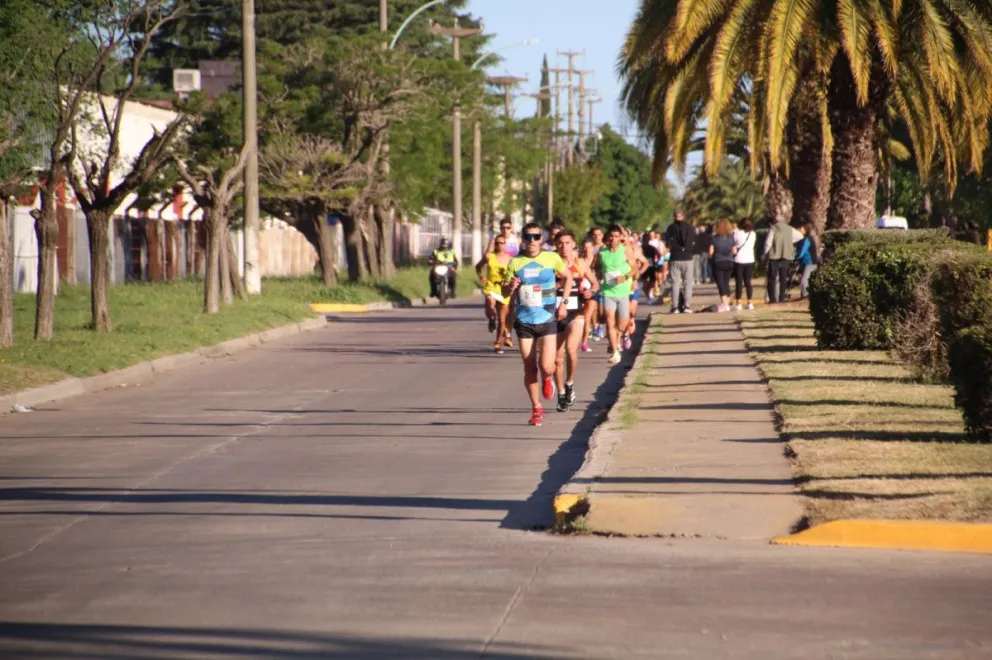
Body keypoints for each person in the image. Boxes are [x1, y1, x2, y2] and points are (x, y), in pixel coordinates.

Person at [504, 222, 573, 427]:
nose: (532, 241)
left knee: (546, 366)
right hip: (524, 320)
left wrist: (564, 303)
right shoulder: (515, 262)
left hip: (547, 318)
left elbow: (568, 277)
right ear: (523, 240)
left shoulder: (551, 258)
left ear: (541, 239)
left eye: (535, 237)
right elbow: (505, 291)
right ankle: (536, 408)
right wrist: (511, 286)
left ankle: (547, 378)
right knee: (529, 367)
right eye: (528, 237)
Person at [554, 231, 599, 412]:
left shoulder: (581, 264)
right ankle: (561, 393)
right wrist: (557, 285)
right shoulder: (552, 263)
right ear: (556, 245)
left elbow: (595, 284)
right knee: (557, 359)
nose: (564, 246)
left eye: (567, 242)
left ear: (573, 244)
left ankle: (570, 383)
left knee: (571, 349)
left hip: (576, 312)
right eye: (560, 243)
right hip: (556, 313)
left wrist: (590, 292)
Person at [596, 225, 639, 364]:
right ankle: (615, 352)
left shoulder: (626, 250)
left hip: (623, 292)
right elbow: (596, 266)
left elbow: (635, 268)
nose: (613, 239)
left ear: (620, 237)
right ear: (608, 237)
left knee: (621, 326)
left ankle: (613, 340)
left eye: (616, 236)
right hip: (608, 291)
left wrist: (625, 277)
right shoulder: (602, 252)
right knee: (609, 319)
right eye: (611, 236)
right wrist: (599, 275)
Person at [475, 235, 513, 352]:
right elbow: (478, 266)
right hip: (491, 287)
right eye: (497, 243)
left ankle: (498, 342)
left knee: (502, 320)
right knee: (490, 304)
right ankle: (491, 319)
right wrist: (481, 276)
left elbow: (515, 274)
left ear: (505, 244)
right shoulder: (489, 256)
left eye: (502, 243)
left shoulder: (511, 259)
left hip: (504, 290)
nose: (499, 245)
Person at [664, 209, 695, 313]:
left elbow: (667, 244)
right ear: (684, 216)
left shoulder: (670, 228)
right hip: (688, 258)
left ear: (674, 217)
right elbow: (693, 242)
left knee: (675, 283)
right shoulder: (690, 228)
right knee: (688, 284)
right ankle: (687, 307)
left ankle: (675, 307)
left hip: (675, 257)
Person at [763, 217, 796, 303]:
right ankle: (782, 298)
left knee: (772, 278)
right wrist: (789, 242)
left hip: (774, 256)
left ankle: (772, 299)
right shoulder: (789, 228)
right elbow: (800, 236)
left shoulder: (773, 228)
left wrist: (765, 255)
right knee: (783, 279)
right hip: (786, 256)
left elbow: (768, 243)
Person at [708, 219, 737, 312]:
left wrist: (710, 257)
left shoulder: (714, 238)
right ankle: (726, 303)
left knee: (720, 283)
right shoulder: (731, 238)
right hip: (729, 262)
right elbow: (734, 251)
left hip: (718, 261)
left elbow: (710, 252)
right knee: (726, 282)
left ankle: (724, 304)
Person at [732, 218, 757, 310]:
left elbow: (733, 243)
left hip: (739, 260)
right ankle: (750, 302)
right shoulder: (753, 234)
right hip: (750, 259)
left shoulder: (737, 233)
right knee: (748, 282)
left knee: (739, 282)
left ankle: (738, 303)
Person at [579, 238, 599, 353]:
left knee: (587, 317)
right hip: (580, 291)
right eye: (585, 247)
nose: (587, 250)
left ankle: (584, 343)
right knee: (580, 317)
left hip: (592, 291)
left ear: (593, 248)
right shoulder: (579, 261)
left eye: (589, 247)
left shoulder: (597, 261)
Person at [796, 222, 820, 299]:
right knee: (807, 278)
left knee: (804, 279)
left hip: (809, 262)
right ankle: (805, 294)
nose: (798, 230)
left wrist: (796, 258)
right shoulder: (810, 238)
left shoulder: (807, 239)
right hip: (812, 262)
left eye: (800, 228)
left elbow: (802, 252)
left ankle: (805, 295)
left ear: (805, 229)